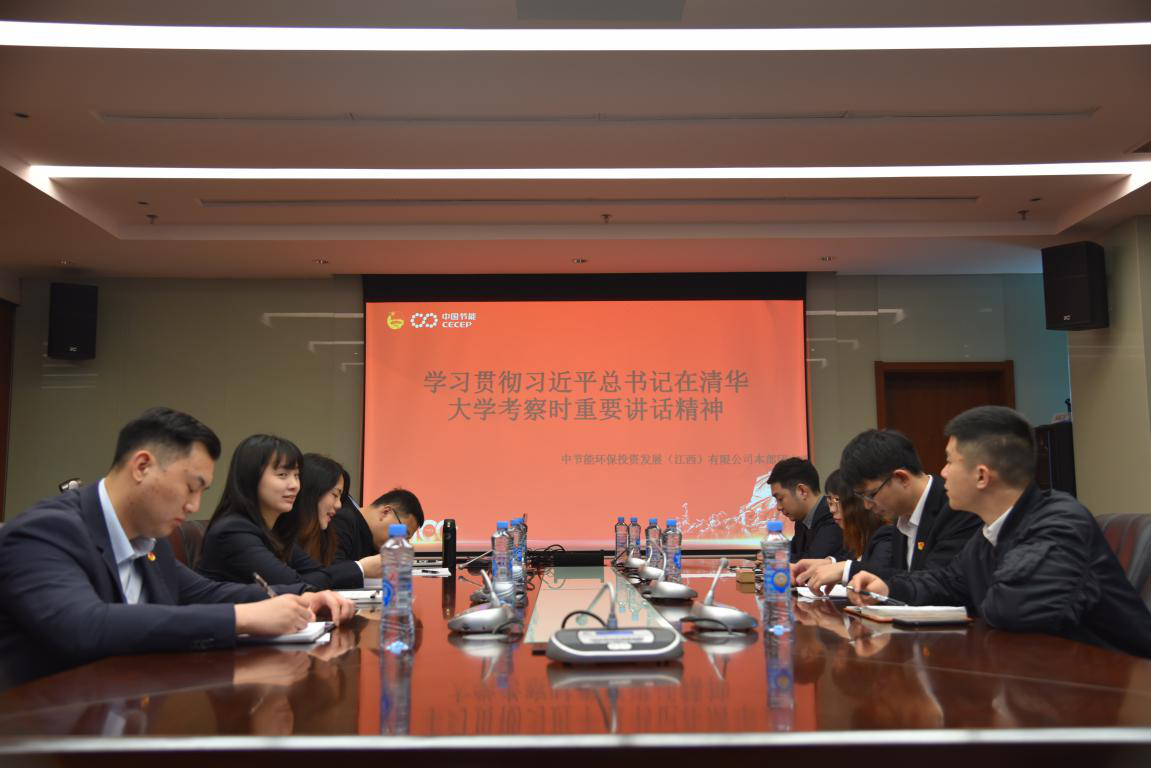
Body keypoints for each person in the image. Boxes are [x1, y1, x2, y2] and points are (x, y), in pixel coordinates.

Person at [0, 408, 354, 690]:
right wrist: (240, 619)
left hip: (123, 708)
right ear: (142, 467)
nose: (194, 506)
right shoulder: (46, 532)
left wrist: (302, 598)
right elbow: (85, 626)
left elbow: (205, 592)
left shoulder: (148, 540)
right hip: (42, 726)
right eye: (190, 487)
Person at [850, 406, 1151, 658]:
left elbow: (1011, 610)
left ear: (981, 476)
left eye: (950, 461)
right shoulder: (989, 533)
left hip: (1117, 688)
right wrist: (887, 588)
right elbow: (947, 582)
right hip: (1045, 682)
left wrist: (973, 596)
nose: (942, 472)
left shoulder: (1060, 522)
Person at [197, 435, 379, 590]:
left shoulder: (275, 528)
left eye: (297, 475)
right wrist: (360, 568)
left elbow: (318, 572)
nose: (294, 485)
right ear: (251, 478)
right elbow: (297, 586)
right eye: (282, 475)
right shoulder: (234, 531)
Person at [837, 429, 980, 580]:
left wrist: (849, 570)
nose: (867, 505)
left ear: (901, 478)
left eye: (871, 495)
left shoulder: (956, 509)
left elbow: (937, 583)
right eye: (862, 497)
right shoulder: (901, 514)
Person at [793, 469, 894, 592]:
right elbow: (848, 562)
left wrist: (843, 569)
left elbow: (877, 574)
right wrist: (829, 563)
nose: (831, 510)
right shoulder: (855, 538)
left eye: (836, 500)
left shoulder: (886, 534)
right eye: (829, 501)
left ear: (858, 500)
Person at [277, 453, 350, 566]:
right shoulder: (280, 540)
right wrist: (361, 567)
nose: (339, 505)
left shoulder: (325, 538)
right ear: (312, 493)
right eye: (335, 494)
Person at [767, 457, 843, 563]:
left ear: (802, 491)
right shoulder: (802, 520)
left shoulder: (832, 516)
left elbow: (811, 560)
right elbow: (793, 551)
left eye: (780, 499)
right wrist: (770, 554)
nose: (778, 507)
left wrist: (775, 558)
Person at [330, 488, 424, 561]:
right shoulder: (342, 521)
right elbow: (331, 572)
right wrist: (363, 568)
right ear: (386, 512)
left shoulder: (373, 545)